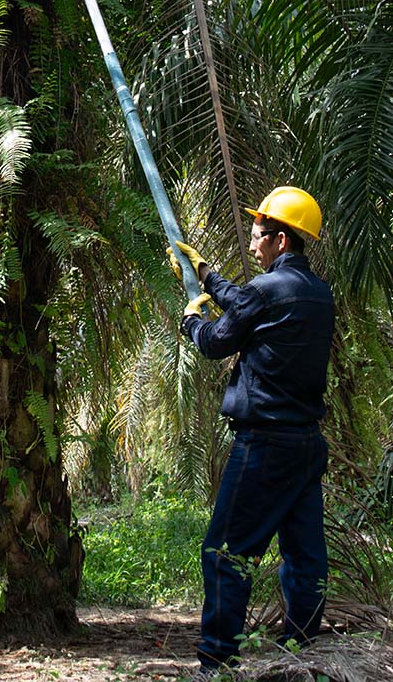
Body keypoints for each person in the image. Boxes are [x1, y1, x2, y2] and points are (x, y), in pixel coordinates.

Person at [168, 186, 335, 676]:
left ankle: (216, 661)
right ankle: (299, 654)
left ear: (281, 240)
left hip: (263, 443)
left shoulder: (265, 292)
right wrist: (206, 276)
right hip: (306, 445)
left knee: (225, 552)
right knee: (304, 557)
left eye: (259, 236)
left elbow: (218, 342)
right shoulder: (318, 294)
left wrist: (190, 320)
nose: (252, 244)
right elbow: (251, 302)